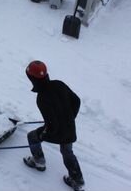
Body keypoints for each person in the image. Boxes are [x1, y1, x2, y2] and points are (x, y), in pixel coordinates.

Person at [23, 60, 85, 191]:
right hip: (69, 128)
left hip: (56, 132)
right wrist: (69, 118)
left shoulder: (41, 98)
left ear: (32, 79)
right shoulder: (58, 84)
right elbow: (77, 101)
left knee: (32, 136)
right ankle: (77, 179)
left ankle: (39, 162)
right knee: (67, 151)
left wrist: (44, 134)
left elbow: (52, 126)